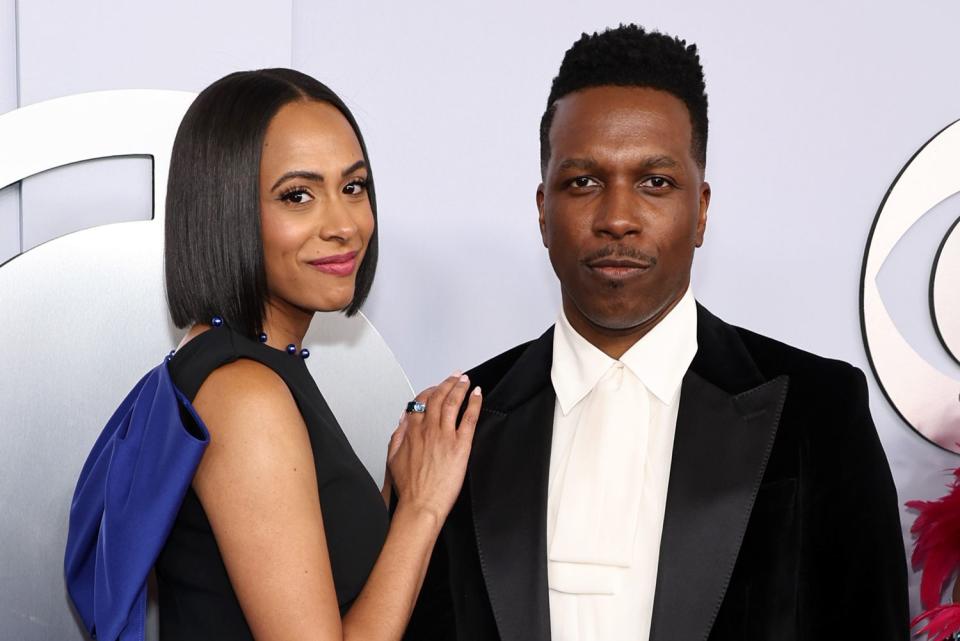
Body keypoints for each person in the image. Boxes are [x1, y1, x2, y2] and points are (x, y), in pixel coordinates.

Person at [405, 25, 909, 641]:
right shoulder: (457, 422)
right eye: (583, 182)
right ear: (542, 209)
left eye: (655, 182)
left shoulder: (818, 408)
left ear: (700, 209)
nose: (617, 217)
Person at [73, 68, 482, 641]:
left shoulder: (249, 365)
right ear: (227, 212)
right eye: (298, 196)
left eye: (354, 187)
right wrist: (422, 508)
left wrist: (398, 485)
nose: (343, 225)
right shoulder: (246, 395)